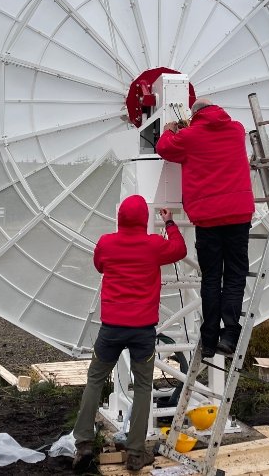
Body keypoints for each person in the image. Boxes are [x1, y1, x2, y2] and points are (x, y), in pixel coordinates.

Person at [72, 195, 187, 473]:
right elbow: (179, 250)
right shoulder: (153, 245)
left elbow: (100, 265)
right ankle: (136, 453)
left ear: (119, 218)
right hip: (142, 332)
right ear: (144, 219)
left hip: (111, 329)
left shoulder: (107, 243)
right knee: (144, 388)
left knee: (95, 381)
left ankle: (84, 444)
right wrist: (170, 223)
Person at [155, 98, 254, 359]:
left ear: (195, 114)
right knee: (235, 275)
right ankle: (230, 334)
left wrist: (171, 129)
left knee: (211, 278)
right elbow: (216, 130)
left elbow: (164, 148)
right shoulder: (236, 129)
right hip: (238, 214)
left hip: (208, 219)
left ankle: (209, 340)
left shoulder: (188, 137)